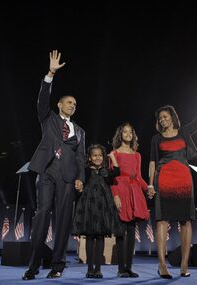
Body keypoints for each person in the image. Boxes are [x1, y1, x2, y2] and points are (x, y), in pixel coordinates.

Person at [147, 71, 197, 278]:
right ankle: (162, 265)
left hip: (183, 180)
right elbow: (152, 162)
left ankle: (184, 266)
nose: (162, 120)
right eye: (160, 118)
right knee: (161, 221)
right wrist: (150, 184)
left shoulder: (184, 132)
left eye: (165, 116)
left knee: (186, 221)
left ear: (172, 117)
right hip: (164, 180)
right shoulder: (155, 139)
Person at [22, 50, 86, 280]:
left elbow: (81, 157)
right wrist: (50, 73)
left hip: (68, 178)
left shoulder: (80, 131)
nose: (73, 105)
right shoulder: (48, 118)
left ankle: (57, 265)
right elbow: (41, 101)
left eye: (75, 104)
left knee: (63, 221)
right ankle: (32, 266)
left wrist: (81, 178)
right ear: (59, 104)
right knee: (41, 216)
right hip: (47, 173)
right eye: (69, 102)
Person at [72, 144, 122, 279]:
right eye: (94, 155)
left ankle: (98, 269)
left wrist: (112, 157)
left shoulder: (106, 171)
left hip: (102, 207)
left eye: (100, 155)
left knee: (100, 236)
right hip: (89, 206)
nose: (98, 157)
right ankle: (89, 268)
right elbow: (79, 181)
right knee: (89, 236)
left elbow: (117, 171)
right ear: (89, 158)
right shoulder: (86, 171)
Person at [111, 123, 150, 278]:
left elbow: (139, 177)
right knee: (121, 232)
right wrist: (115, 196)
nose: (128, 134)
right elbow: (112, 178)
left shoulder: (137, 154)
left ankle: (128, 267)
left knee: (132, 232)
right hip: (120, 191)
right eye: (125, 132)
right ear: (120, 134)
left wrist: (148, 188)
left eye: (130, 132)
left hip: (134, 193)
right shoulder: (114, 153)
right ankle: (121, 269)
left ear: (133, 135)